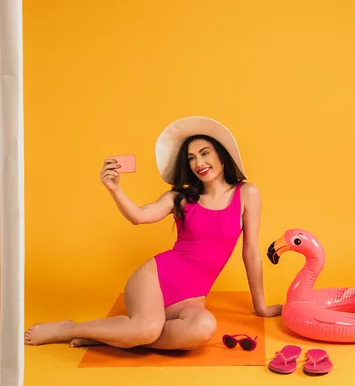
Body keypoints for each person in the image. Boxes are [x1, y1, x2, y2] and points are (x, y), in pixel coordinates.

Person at [25, 116, 282, 350]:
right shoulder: (179, 197)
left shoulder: (247, 194)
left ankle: (117, 335)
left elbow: (250, 253)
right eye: (191, 158)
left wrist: (260, 307)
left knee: (204, 328)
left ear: (222, 156)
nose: (199, 163)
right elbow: (139, 217)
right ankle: (69, 328)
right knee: (147, 328)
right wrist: (114, 188)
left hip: (192, 299)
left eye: (205, 153)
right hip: (154, 280)